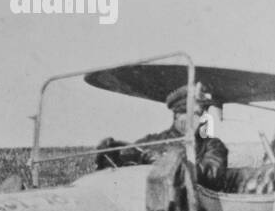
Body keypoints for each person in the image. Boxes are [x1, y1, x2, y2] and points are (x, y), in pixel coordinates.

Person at [97, 82, 229, 192]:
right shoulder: (153, 141)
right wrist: (110, 152)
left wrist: (169, 165)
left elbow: (212, 175)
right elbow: (123, 164)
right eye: (187, 113)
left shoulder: (212, 145)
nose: (193, 120)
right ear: (176, 114)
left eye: (198, 114)